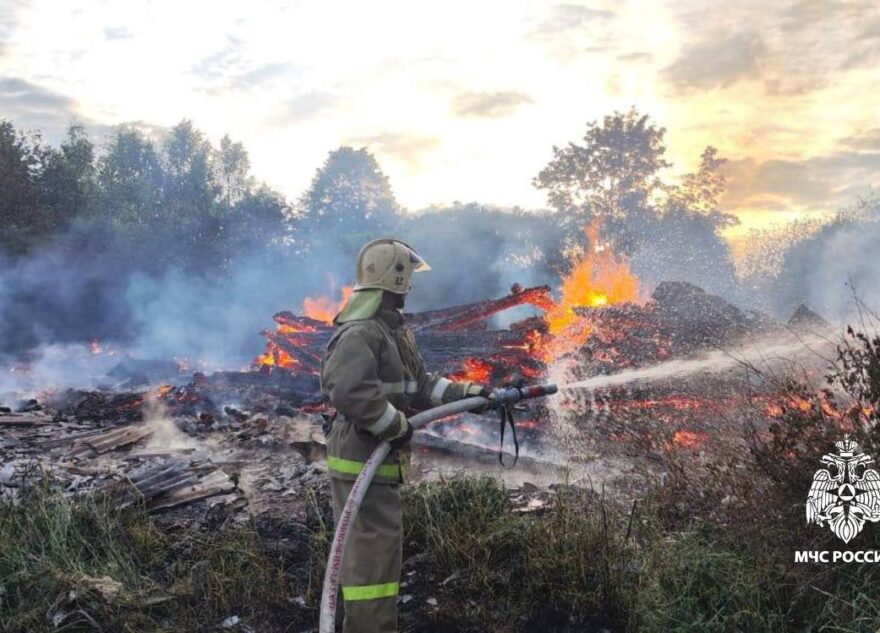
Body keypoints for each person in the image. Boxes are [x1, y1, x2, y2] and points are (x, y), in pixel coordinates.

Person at [321, 238, 490, 633]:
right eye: (407, 277)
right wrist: (393, 425)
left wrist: (467, 394)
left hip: (378, 459)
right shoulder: (362, 331)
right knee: (372, 565)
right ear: (393, 278)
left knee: (371, 555)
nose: (410, 286)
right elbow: (349, 391)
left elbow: (420, 385)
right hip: (362, 456)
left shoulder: (391, 330)